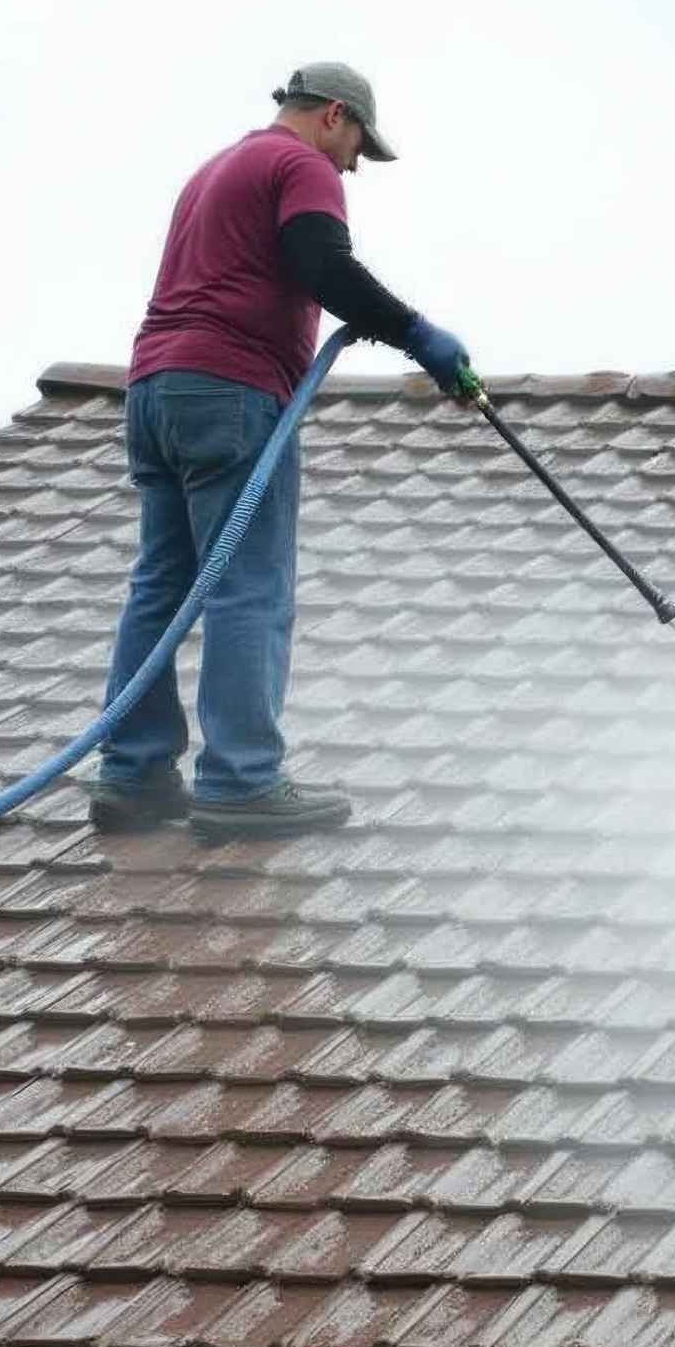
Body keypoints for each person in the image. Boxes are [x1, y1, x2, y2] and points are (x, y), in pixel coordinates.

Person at [87, 62, 470, 840]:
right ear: (335, 114)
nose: (354, 164)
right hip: (230, 391)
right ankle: (240, 781)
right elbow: (324, 264)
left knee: (160, 583)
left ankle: (132, 775)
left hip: (157, 390)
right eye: (358, 144)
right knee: (248, 585)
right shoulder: (300, 164)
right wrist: (416, 333)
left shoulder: (214, 169)